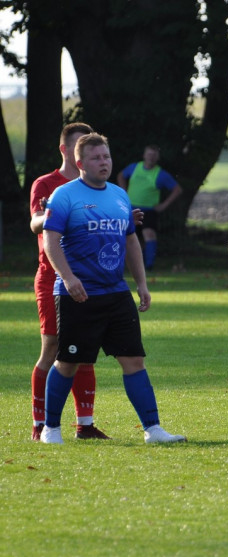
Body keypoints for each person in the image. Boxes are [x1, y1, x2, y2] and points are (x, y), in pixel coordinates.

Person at [39, 133, 185, 445]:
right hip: (78, 293)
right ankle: (51, 429)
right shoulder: (65, 196)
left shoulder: (119, 195)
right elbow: (50, 241)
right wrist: (67, 278)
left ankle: (153, 429)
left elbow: (131, 240)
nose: (103, 162)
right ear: (80, 163)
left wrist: (141, 283)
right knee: (67, 362)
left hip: (116, 293)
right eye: (96, 158)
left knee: (134, 361)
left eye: (106, 156)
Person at [28, 123, 110, 441]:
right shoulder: (47, 184)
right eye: (81, 148)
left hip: (89, 279)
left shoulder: (96, 187)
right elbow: (35, 223)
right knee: (52, 348)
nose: (85, 155)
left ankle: (85, 424)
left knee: (85, 351)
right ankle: (40, 424)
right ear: (66, 150)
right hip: (52, 278)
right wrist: (49, 214)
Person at [116, 144, 183, 270]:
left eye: (154, 155)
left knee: (149, 235)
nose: (151, 157)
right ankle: (123, 264)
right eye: (149, 154)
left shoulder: (161, 174)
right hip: (131, 209)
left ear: (157, 157)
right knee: (128, 237)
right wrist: (123, 193)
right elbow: (121, 176)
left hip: (149, 211)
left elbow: (177, 189)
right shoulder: (135, 167)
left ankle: (148, 266)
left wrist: (163, 205)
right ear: (144, 155)